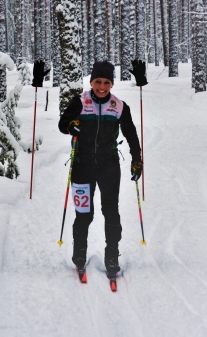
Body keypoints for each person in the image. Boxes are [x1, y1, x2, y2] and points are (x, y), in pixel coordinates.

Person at [58, 60, 143, 278]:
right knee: (84, 214)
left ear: (112, 84)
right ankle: (79, 256)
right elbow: (63, 123)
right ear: (91, 81)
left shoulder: (120, 106)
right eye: (98, 81)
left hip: (109, 167)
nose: (102, 87)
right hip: (82, 166)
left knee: (111, 212)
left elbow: (131, 135)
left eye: (106, 82)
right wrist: (71, 126)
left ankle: (112, 257)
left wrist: (137, 159)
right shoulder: (80, 101)